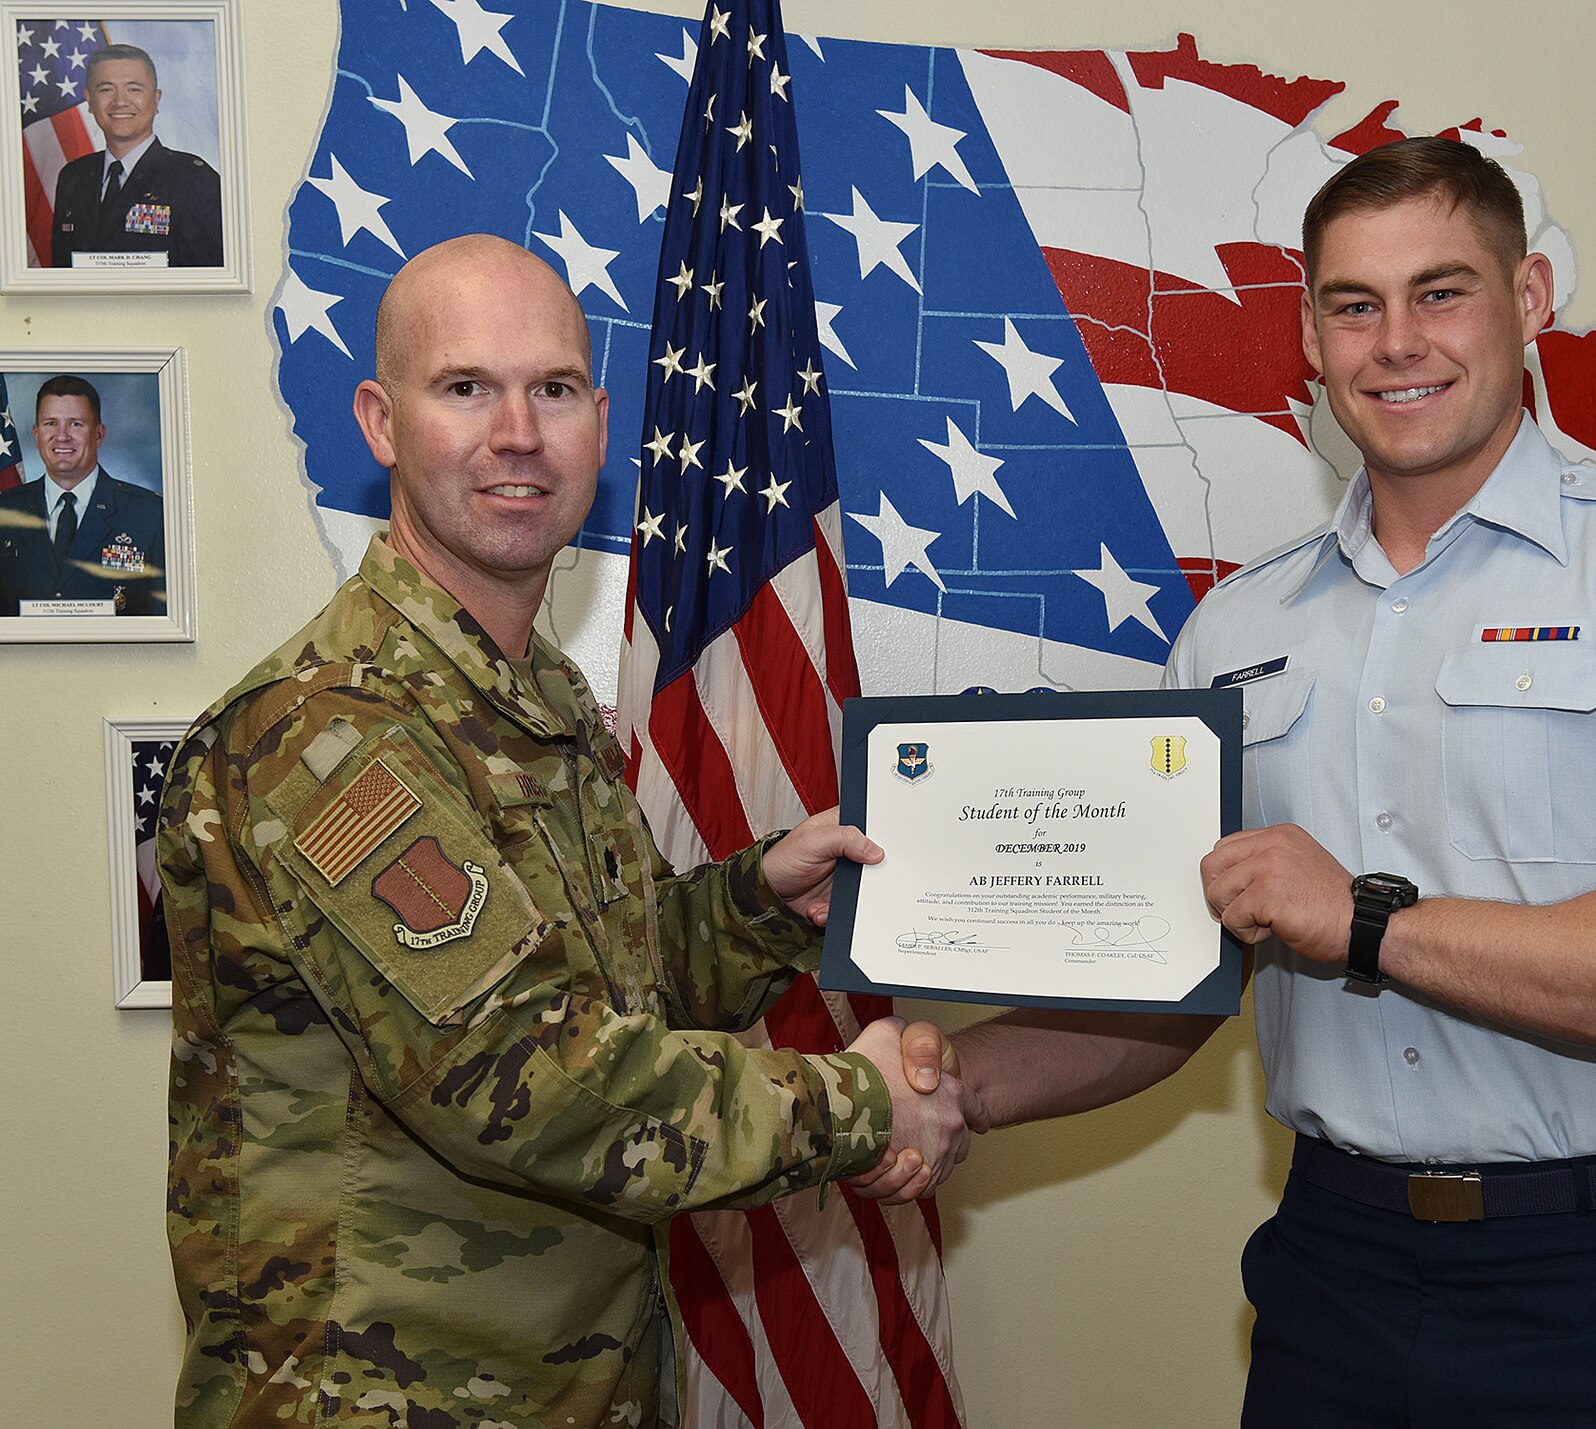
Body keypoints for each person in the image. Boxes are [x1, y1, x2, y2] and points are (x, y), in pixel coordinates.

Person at [899, 137, 1596, 1427]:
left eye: (1440, 291)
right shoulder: (1236, 631)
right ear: (1309, 335)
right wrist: (939, 1090)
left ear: (1529, 300)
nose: (1396, 339)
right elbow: (1178, 979)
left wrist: (1363, 917)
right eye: (1354, 304)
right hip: (1329, 1281)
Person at [158, 235, 970, 1427]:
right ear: (383, 421)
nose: (517, 433)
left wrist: (758, 904)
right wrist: (856, 1107)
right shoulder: (325, 735)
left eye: (550, 390)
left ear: (599, 420)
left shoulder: (528, 700)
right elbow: (529, 1080)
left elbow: (607, 989)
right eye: (465, 388)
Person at [0, 374, 165, 615]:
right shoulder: (6, 510)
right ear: (36, 434)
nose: (62, 436)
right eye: (50, 423)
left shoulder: (148, 514)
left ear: (99, 434)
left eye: (76, 424)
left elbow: (164, 617)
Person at [50, 42, 223, 268]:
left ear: (156, 99)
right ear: (89, 100)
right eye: (106, 89)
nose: (120, 101)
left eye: (134, 89)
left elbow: (212, 285)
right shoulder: (73, 177)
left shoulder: (194, 180)